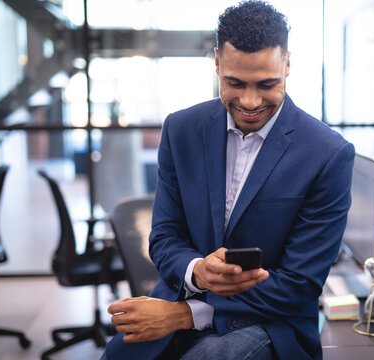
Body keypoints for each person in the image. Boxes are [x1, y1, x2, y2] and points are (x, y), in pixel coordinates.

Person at [103, 1, 355, 359]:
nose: (250, 102)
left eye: (267, 84)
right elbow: (164, 237)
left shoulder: (328, 153)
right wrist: (198, 272)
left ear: (287, 64)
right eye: (234, 83)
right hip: (178, 296)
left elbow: (299, 285)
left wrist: (188, 314)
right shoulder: (181, 129)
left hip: (271, 321)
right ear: (217, 63)